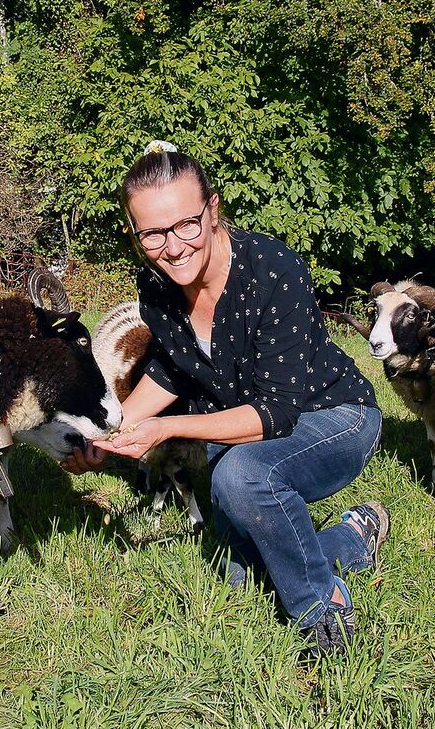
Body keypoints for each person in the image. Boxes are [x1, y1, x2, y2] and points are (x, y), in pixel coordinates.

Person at [63, 141, 388, 655]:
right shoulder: (158, 287)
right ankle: (354, 537)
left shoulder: (273, 270)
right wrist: (107, 436)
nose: (173, 247)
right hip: (241, 435)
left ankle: (322, 612)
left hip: (334, 417)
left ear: (212, 210)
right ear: (135, 233)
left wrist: (166, 428)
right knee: (245, 575)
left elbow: (276, 413)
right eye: (152, 234)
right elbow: (173, 369)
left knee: (242, 478)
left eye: (186, 224)